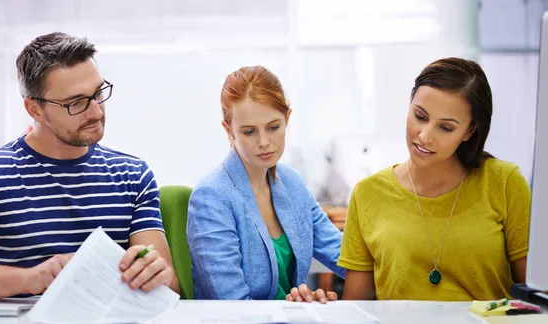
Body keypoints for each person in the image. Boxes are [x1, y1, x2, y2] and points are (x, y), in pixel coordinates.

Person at [0, 32, 179, 301]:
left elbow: (169, 291)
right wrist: (31, 278)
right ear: (34, 110)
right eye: (76, 103)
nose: (96, 112)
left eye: (98, 93)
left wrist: (158, 276)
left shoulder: (133, 175)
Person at [339, 57, 530, 301]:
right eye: (420, 116)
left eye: (446, 128)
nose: (425, 136)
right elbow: (357, 308)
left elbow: (536, 297)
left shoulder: (504, 182)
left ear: (469, 131)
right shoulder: (368, 193)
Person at [187, 66, 345, 303]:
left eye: (273, 127)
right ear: (228, 130)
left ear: (287, 119)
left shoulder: (292, 183)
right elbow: (234, 305)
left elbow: (344, 256)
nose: (264, 142)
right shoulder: (211, 197)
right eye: (249, 132)